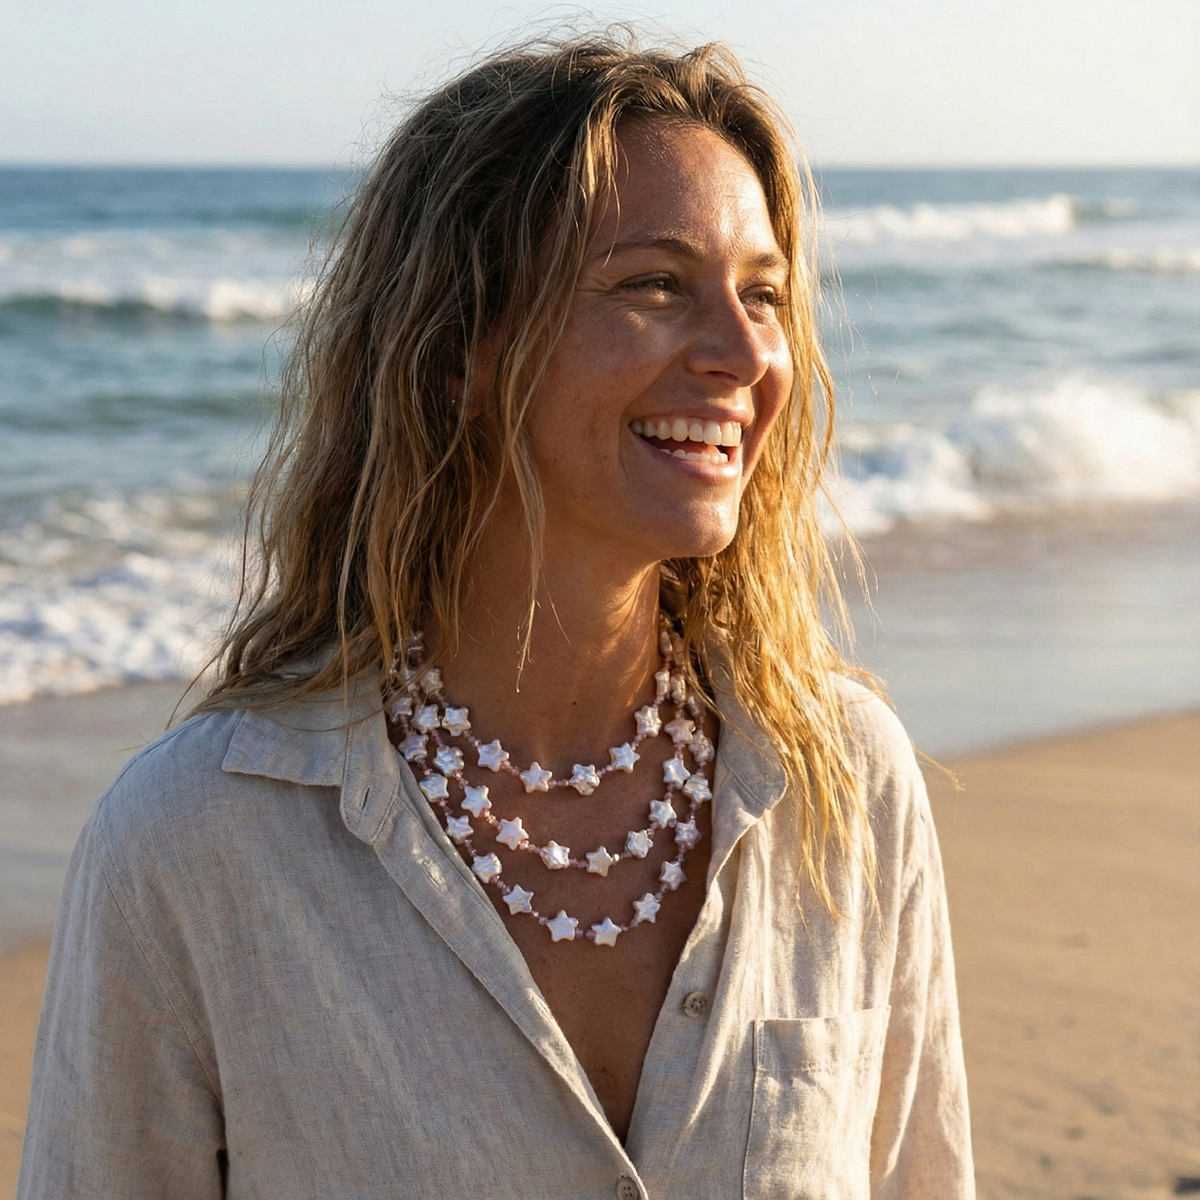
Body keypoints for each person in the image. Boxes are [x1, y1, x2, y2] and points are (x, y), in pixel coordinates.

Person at [18, 34, 973, 1199]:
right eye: (656, 285)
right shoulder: (193, 844)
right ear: (459, 349)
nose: (743, 353)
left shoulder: (845, 789)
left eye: (764, 294)